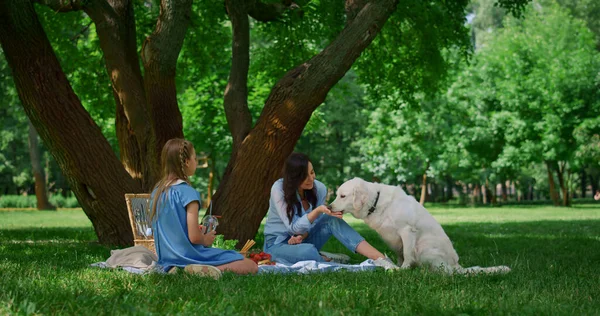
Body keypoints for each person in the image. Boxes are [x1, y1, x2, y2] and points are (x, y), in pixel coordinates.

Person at [263, 152, 399, 270]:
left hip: (303, 240)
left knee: (331, 219)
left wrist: (302, 236)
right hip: (277, 245)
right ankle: (325, 259)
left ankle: (380, 259)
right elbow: (293, 228)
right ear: (294, 177)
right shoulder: (279, 189)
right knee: (308, 251)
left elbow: (309, 228)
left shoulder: (319, 188)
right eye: (304, 176)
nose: (311, 179)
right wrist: (317, 211)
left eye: (312, 172)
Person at [150, 138, 257, 278]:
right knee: (250, 265)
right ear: (187, 162)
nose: (196, 161)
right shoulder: (188, 192)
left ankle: (178, 269)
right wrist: (205, 239)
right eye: (195, 158)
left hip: (167, 260)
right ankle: (202, 271)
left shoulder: (157, 192)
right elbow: (194, 238)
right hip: (189, 256)